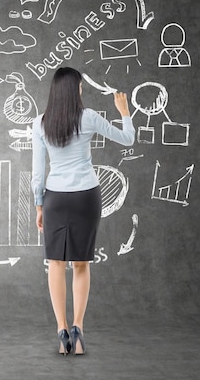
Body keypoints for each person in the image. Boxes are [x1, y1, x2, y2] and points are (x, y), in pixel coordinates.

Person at [31, 67, 134, 356]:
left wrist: (40, 206)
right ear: (76, 90)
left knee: (55, 263)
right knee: (80, 264)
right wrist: (124, 111)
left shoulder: (39, 123)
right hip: (86, 197)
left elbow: (37, 174)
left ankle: (61, 331)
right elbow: (128, 139)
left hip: (54, 198)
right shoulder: (88, 118)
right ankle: (78, 330)